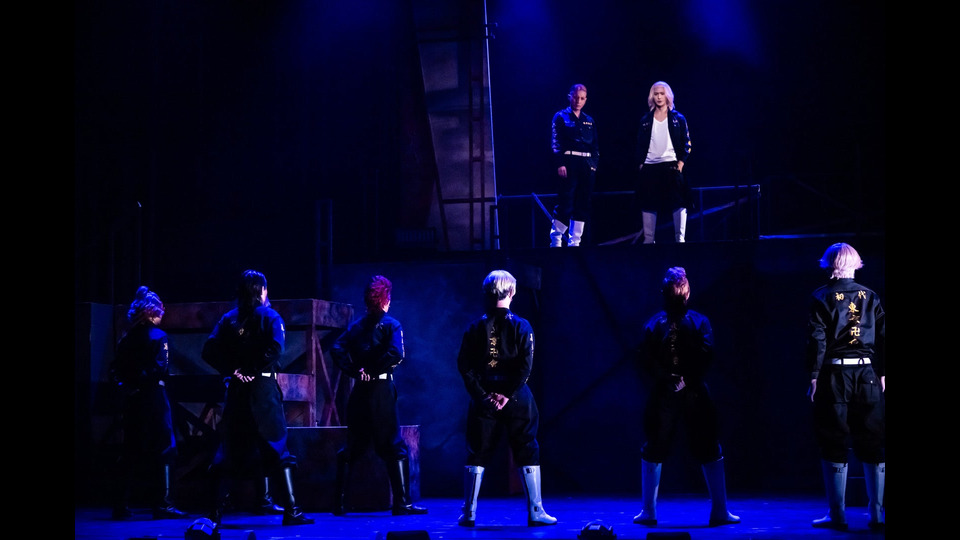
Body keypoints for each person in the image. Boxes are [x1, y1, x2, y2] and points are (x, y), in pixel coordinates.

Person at [201, 269, 314, 527]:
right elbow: (276, 348)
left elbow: (209, 351)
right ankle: (292, 511)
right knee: (277, 447)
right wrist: (251, 369)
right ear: (261, 290)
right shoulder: (270, 317)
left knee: (228, 449)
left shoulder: (228, 319)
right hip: (262, 388)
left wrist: (233, 370)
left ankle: (213, 513)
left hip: (237, 390)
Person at [633, 267, 739, 527]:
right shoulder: (699, 322)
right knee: (708, 446)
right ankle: (720, 510)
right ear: (688, 293)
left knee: (655, 447)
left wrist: (667, 379)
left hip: (666, 392)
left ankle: (648, 511)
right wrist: (687, 379)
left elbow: (645, 360)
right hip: (693, 391)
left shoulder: (653, 324)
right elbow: (706, 354)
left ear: (663, 292)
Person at [455, 270, 557, 527]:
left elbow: (464, 367)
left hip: (484, 395)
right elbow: (525, 366)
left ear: (486, 293)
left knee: (477, 451)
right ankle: (536, 511)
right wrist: (508, 395)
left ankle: (469, 512)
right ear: (512, 292)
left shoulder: (474, 327)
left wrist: (483, 395)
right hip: (516, 396)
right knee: (527, 446)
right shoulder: (522, 325)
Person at [330, 275, 428, 516]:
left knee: (353, 446)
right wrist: (373, 370)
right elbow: (396, 353)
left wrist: (355, 371)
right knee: (394, 446)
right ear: (386, 300)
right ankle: (402, 504)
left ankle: (339, 504)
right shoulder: (391, 325)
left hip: (360, 391)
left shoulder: (356, 327)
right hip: (381, 390)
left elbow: (336, 348)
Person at [807, 243, 885, 531]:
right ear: (856, 263)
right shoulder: (871, 295)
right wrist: (883, 372)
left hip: (835, 375)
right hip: (867, 374)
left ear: (829, 264)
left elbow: (817, 339)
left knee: (834, 440)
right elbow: (883, 336)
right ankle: (877, 514)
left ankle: (837, 515)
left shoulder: (821, 296)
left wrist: (813, 375)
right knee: (873, 441)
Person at [109, 286, 188, 520]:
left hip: (133, 399)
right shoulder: (159, 337)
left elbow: (115, 370)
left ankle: (120, 505)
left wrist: (128, 386)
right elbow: (160, 368)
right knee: (165, 448)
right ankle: (163, 504)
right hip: (154, 397)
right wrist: (144, 381)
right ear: (153, 312)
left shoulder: (126, 339)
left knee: (130, 449)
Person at [635, 81, 692, 243]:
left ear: (667, 95)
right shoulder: (645, 119)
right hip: (650, 167)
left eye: (662, 93)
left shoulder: (678, 118)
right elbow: (639, 144)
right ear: (652, 96)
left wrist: (681, 163)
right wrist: (641, 164)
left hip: (671, 166)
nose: (659, 97)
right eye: (656, 94)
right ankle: (649, 241)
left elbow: (687, 143)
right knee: (648, 203)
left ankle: (680, 240)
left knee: (678, 202)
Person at [549, 83, 599, 247]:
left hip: (586, 164)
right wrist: (560, 163)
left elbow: (595, 146)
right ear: (569, 97)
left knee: (583, 203)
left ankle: (575, 242)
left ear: (586, 100)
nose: (578, 101)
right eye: (576, 97)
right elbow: (556, 141)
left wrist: (593, 165)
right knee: (565, 202)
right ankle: (556, 239)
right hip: (569, 162)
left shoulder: (589, 120)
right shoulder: (560, 116)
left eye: (582, 98)